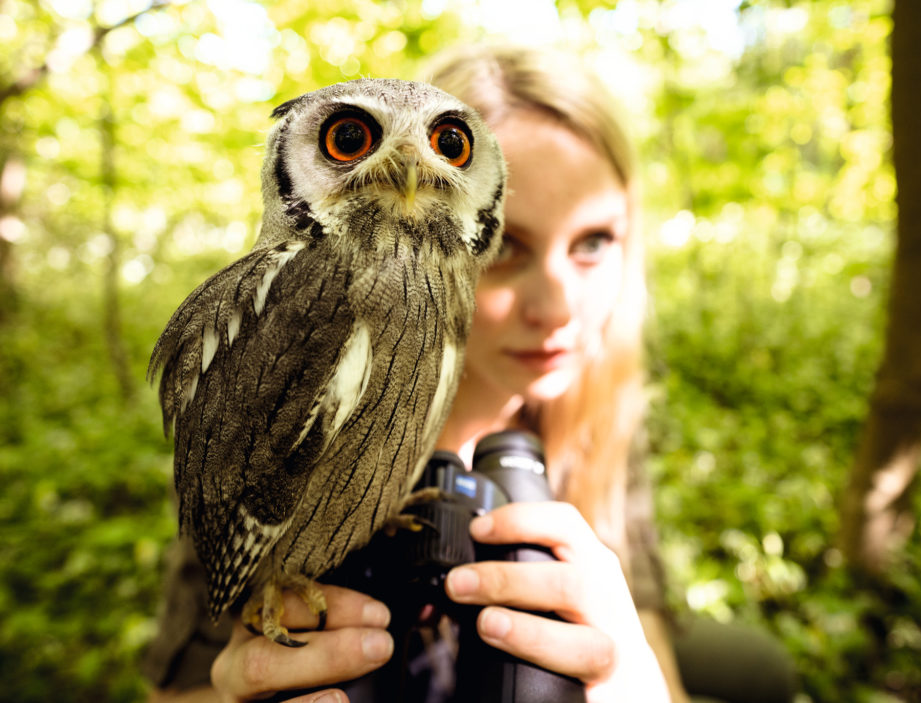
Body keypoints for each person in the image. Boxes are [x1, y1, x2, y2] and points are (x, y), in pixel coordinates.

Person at [144, 44, 796, 703]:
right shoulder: (296, 343)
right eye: (508, 243)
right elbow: (184, 675)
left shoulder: (589, 402)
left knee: (760, 667)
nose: (559, 308)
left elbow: (646, 632)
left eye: (593, 242)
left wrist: (639, 688)